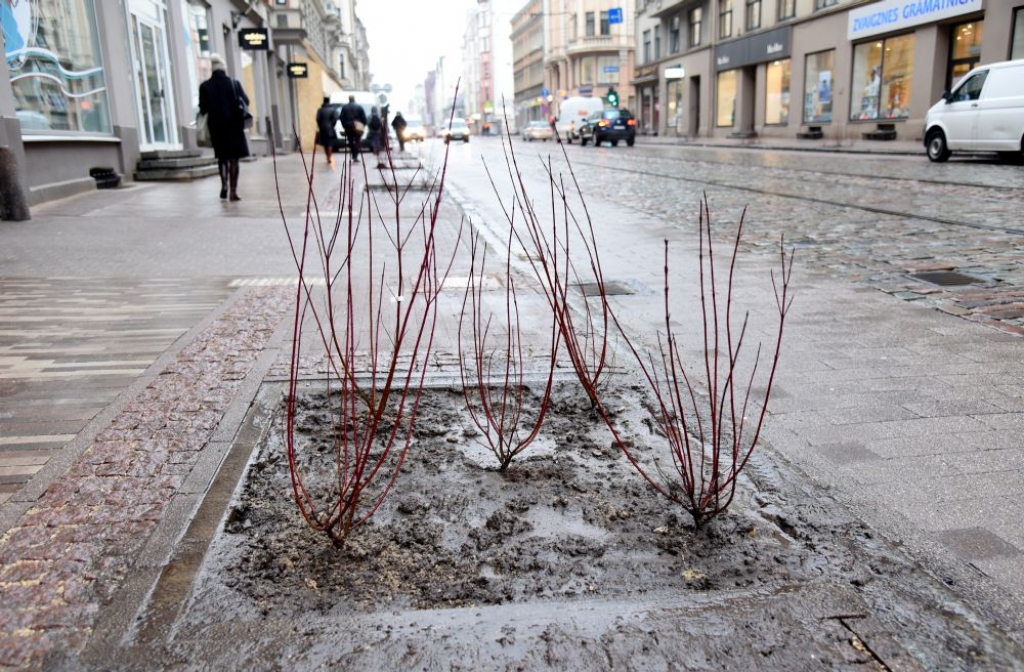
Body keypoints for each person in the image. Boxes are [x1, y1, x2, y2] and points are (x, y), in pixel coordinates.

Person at [198, 54, 250, 201]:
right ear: (224, 69)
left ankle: (224, 186)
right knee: (234, 159)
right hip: (234, 126)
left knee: (222, 158)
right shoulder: (234, 83)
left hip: (216, 127)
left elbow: (203, 109)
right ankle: (233, 191)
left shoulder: (205, 86)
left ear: (212, 69)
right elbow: (246, 101)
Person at [338, 94, 367, 163]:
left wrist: (344, 125)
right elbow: (364, 118)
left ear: (349, 99)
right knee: (357, 141)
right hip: (357, 126)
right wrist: (363, 125)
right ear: (354, 99)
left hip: (348, 126)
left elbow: (341, 117)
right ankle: (355, 156)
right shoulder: (359, 107)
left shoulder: (344, 107)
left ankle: (353, 154)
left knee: (350, 141)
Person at [315, 96, 338, 169]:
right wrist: (332, 125)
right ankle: (329, 156)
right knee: (329, 143)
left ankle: (327, 157)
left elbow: (317, 119)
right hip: (330, 128)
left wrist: (320, 126)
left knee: (325, 143)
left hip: (322, 128)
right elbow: (335, 118)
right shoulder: (333, 110)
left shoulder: (320, 110)